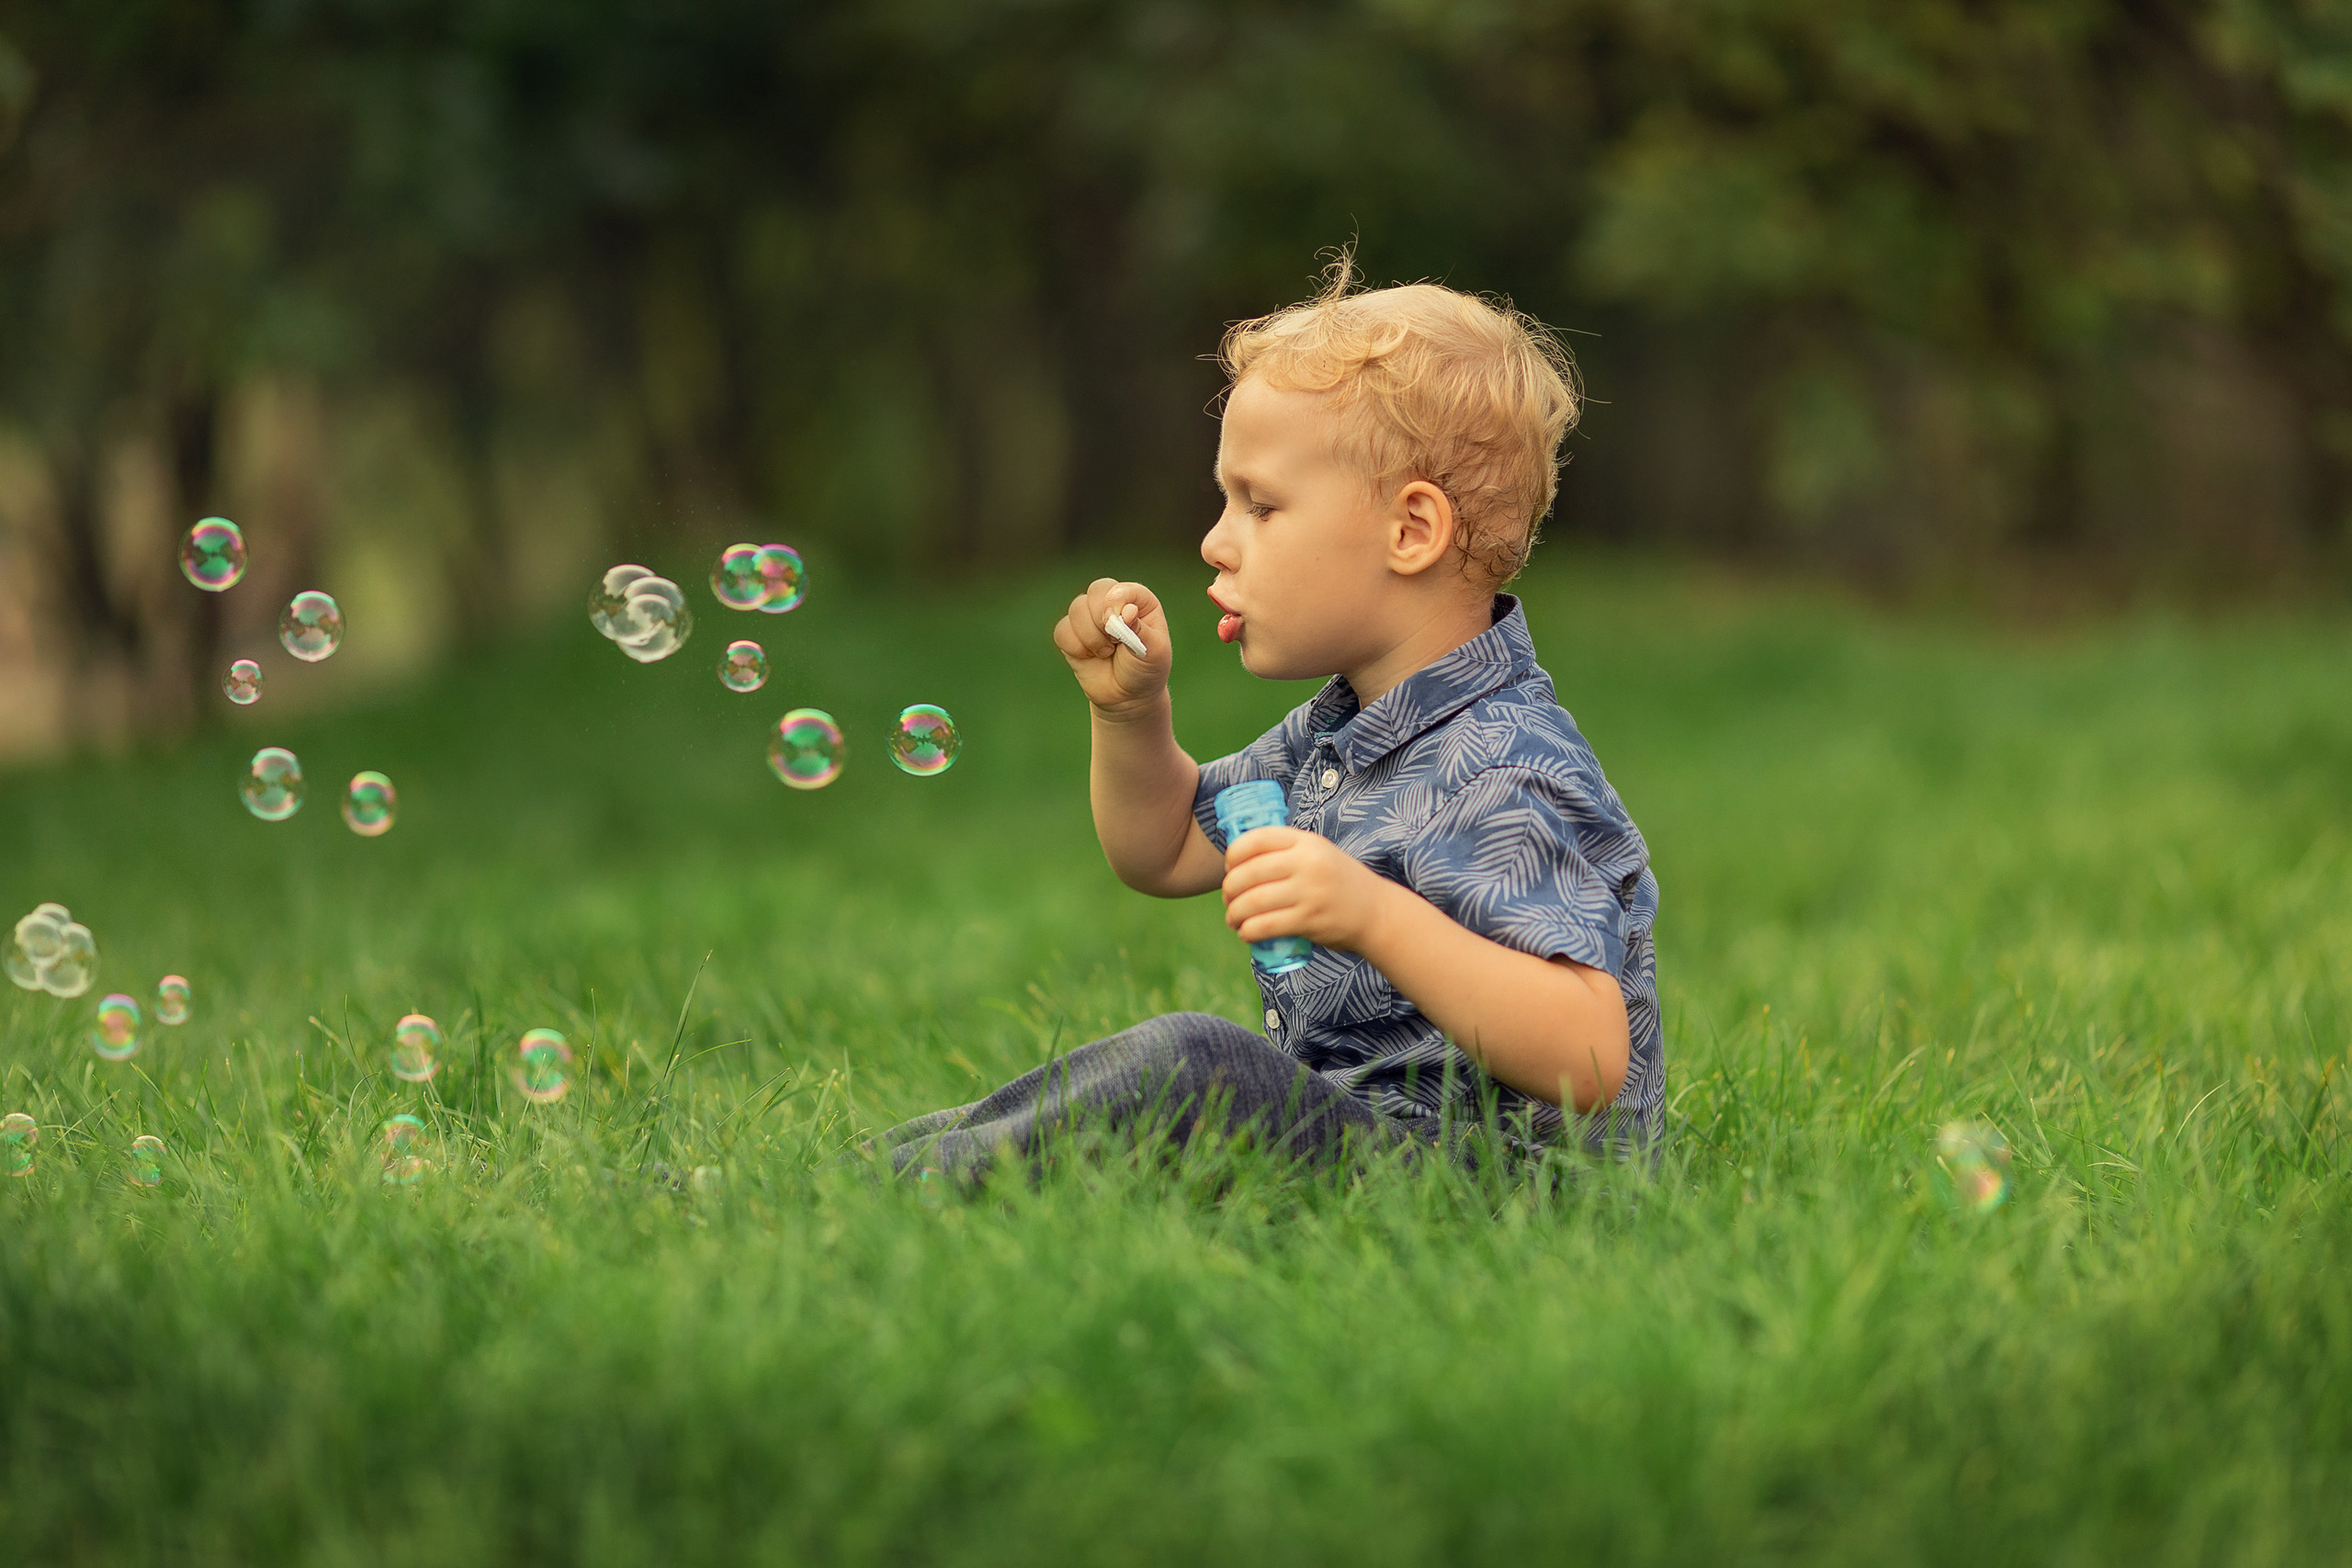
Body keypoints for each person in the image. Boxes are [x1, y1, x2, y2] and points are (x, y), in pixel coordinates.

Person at [870, 255, 1661, 1183]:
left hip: (1497, 1185)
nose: (1214, 539)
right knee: (1099, 1086)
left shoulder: (1504, 764)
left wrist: (1372, 914)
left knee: (1199, 1068)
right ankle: (853, 1181)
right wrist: (1132, 715)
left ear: (1410, 532)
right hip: (1374, 1140)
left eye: (1260, 504)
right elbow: (1163, 848)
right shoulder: (1342, 733)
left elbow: (1590, 1056)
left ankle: (887, 1192)